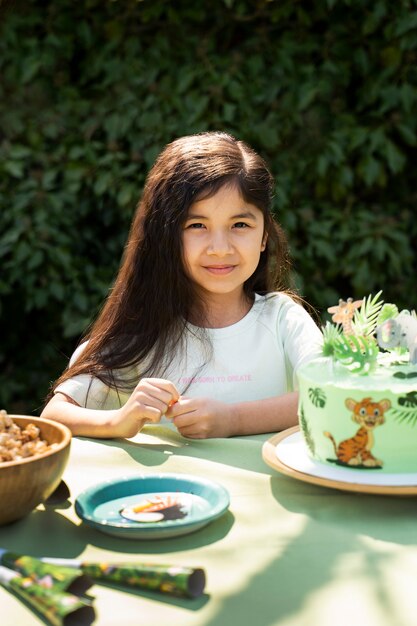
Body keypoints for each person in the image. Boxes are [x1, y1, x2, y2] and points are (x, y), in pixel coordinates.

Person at [41, 131, 322, 439]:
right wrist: (118, 420)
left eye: (240, 225)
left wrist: (233, 420)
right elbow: (55, 415)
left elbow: (330, 397)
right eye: (196, 225)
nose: (220, 248)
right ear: (166, 237)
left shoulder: (283, 319)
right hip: (170, 489)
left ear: (264, 236)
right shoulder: (145, 327)